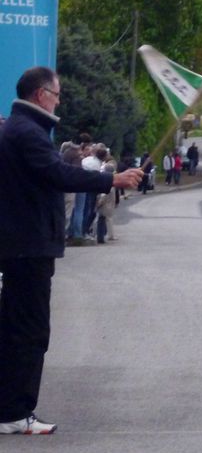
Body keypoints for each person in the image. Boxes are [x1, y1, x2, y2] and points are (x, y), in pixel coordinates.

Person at [0, 67, 143, 434]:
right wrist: (111, 178)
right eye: (57, 93)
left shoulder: (19, 129)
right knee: (30, 331)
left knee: (17, 328)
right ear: (40, 94)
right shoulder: (26, 132)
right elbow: (58, 174)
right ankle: (15, 412)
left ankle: (11, 409)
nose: (59, 100)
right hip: (27, 246)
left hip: (21, 244)